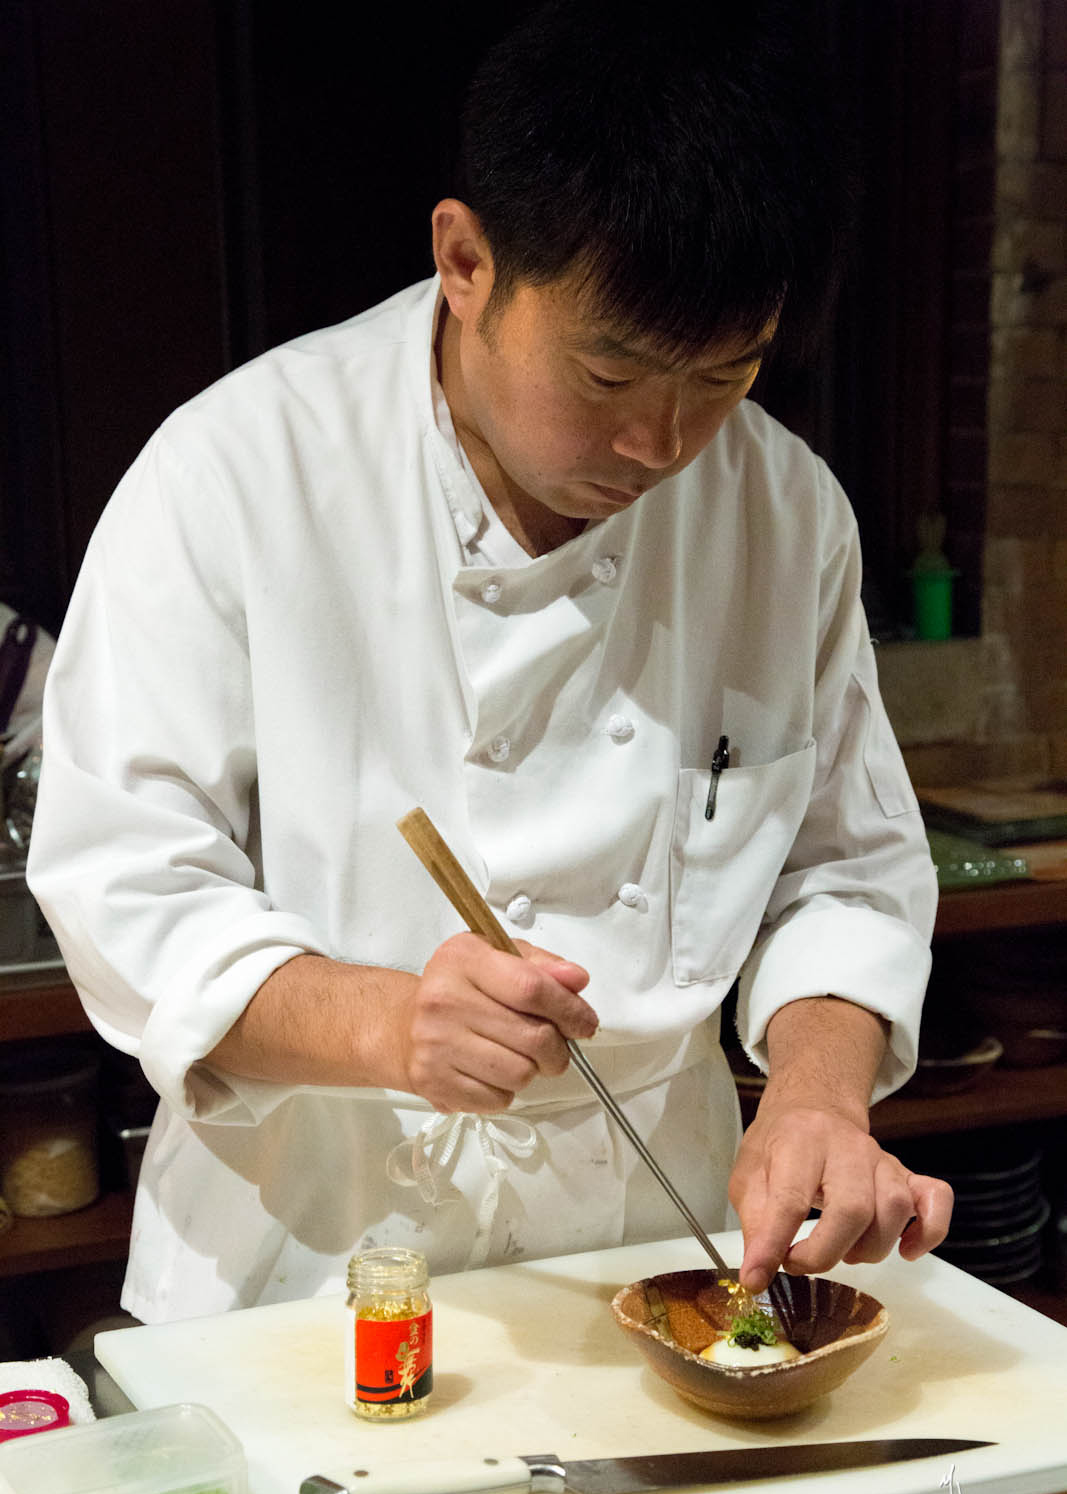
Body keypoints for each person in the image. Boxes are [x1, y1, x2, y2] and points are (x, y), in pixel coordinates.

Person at [28, 0, 952, 1324]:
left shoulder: (783, 513)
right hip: (312, 1260)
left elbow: (846, 867)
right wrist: (386, 1025)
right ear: (466, 261)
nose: (663, 442)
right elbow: (128, 888)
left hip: (661, 1248)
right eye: (611, 374)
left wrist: (815, 1094)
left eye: (724, 377)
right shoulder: (237, 475)